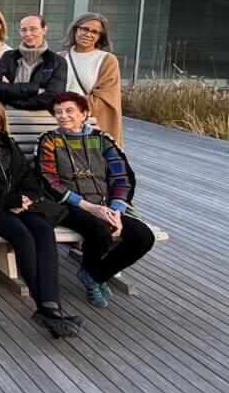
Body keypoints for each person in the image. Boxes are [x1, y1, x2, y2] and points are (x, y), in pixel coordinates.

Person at [0, 98, 82, 337]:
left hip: (22, 205)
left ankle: (51, 304)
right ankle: (46, 307)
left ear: (0, 123)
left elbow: (28, 177)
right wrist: (9, 200)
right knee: (23, 237)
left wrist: (26, 197)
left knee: (43, 231)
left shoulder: (9, 144)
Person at [36, 92, 155, 308]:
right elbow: (49, 180)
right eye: (58, 112)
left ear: (84, 114)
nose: (63, 116)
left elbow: (122, 178)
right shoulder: (49, 141)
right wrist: (89, 207)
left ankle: (95, 275)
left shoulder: (102, 140)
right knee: (100, 231)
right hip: (69, 204)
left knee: (143, 237)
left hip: (107, 204)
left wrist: (116, 210)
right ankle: (95, 277)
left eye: (69, 111)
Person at [59, 13, 123, 144]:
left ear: (100, 37)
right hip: (61, 122)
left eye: (95, 32)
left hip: (91, 125)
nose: (88, 34)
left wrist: (69, 104)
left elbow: (106, 98)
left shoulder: (107, 60)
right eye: (84, 29)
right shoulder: (59, 58)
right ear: (75, 29)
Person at [0, 14, 67, 111]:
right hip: (8, 117)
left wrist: (10, 96)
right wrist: (35, 89)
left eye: (33, 29)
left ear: (44, 30)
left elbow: (53, 97)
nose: (28, 34)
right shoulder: (9, 56)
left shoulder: (57, 61)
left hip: (40, 120)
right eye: (24, 30)